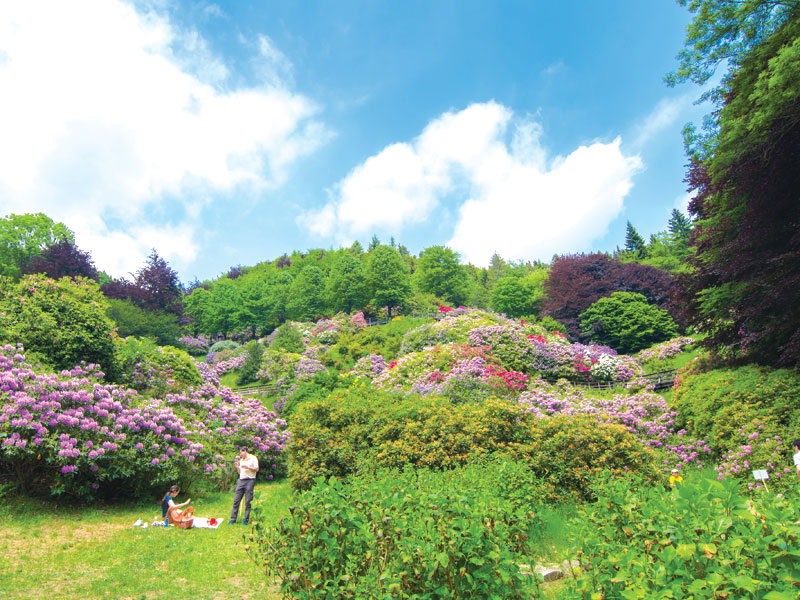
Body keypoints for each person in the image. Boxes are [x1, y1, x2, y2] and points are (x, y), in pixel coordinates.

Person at [229, 446, 259, 525]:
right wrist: (238, 468)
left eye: (241, 452)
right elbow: (240, 472)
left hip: (250, 480)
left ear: (245, 451)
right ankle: (233, 519)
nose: (240, 454)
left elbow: (256, 469)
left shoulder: (253, 458)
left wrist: (248, 467)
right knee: (236, 500)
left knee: (248, 501)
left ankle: (245, 520)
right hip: (241, 480)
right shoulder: (241, 460)